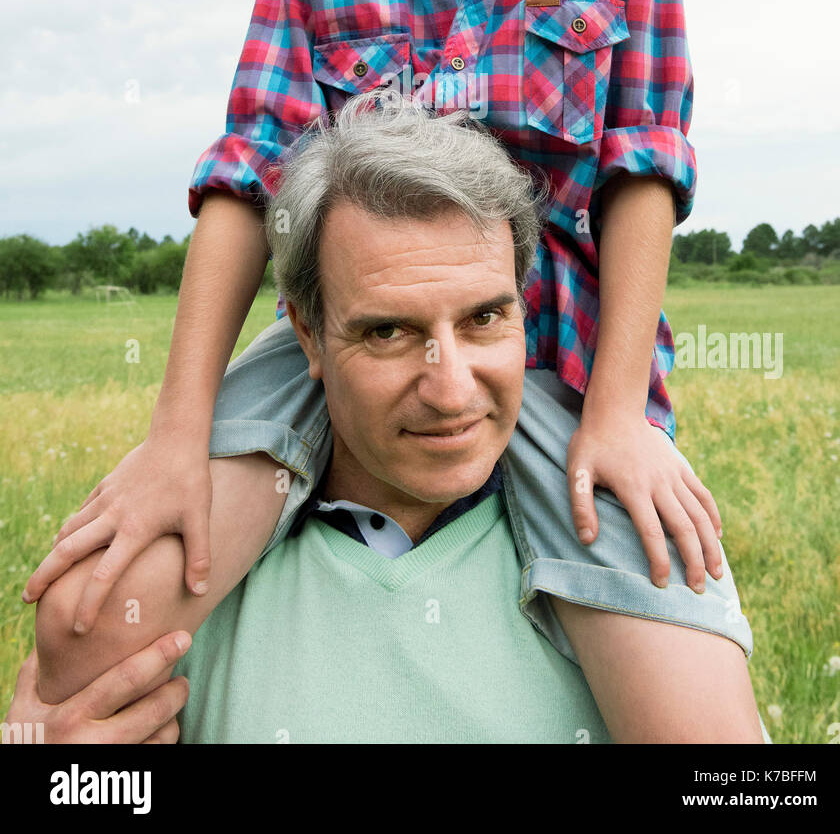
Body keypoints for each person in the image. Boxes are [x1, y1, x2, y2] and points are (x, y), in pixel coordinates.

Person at [24, 0, 759, 741]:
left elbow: (643, 164)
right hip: (351, 343)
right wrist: (177, 434)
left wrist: (619, 409)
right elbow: (244, 180)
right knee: (85, 623)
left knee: (704, 739)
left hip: (556, 351)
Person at [13, 98, 766, 742]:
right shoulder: (189, 579)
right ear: (306, 334)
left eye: (484, 318)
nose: (449, 392)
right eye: (386, 332)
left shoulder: (629, 540)